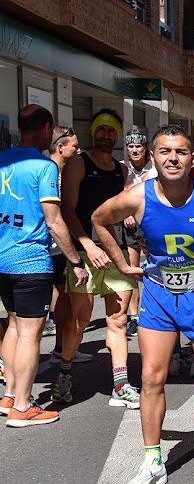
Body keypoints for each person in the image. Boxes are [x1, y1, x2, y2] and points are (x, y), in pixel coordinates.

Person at [92, 124, 194, 484]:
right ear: (153, 157)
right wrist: (121, 265)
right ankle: (153, 462)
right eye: (165, 151)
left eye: (181, 152)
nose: (173, 158)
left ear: (193, 158)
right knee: (153, 379)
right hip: (158, 296)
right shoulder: (137, 197)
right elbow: (98, 219)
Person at [0, 105, 88, 426]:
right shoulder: (44, 166)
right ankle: (23, 407)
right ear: (48, 128)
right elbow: (54, 220)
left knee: (13, 325)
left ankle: (9, 395)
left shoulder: (2, 159)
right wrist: (75, 261)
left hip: (2, 259)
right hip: (30, 261)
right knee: (29, 334)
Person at [59, 108, 139, 409]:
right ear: (94, 132)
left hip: (114, 252)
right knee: (78, 322)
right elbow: (67, 210)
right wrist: (86, 247)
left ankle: (121, 385)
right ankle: (64, 373)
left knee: (118, 319)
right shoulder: (79, 164)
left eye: (112, 130)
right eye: (102, 130)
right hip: (84, 253)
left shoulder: (120, 170)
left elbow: (119, 210)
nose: (107, 135)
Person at [45, 126, 94, 366]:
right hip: (50, 247)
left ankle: (60, 348)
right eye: (74, 146)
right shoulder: (50, 172)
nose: (78, 150)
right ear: (60, 146)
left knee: (63, 295)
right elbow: (53, 217)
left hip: (59, 247)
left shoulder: (65, 170)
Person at [122, 126, 157, 338]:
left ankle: (153, 309)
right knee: (131, 270)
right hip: (129, 228)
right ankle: (134, 316)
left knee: (155, 269)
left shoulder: (152, 170)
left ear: (145, 149)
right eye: (131, 146)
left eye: (139, 146)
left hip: (150, 226)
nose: (135, 150)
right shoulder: (122, 169)